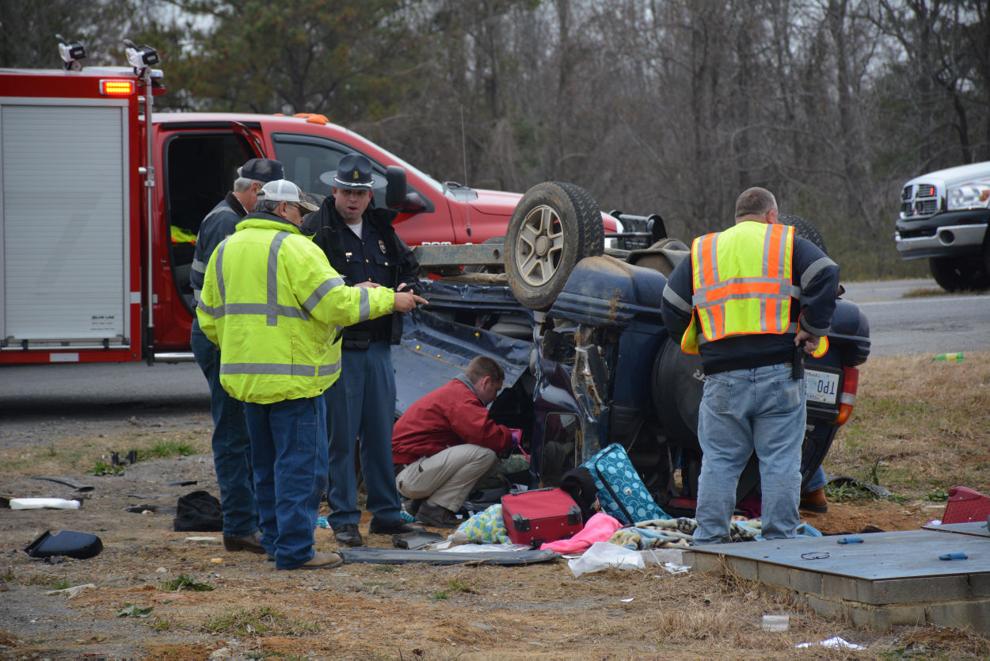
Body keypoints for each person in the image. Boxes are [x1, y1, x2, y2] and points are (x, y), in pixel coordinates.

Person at [197, 178, 427, 569]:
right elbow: (335, 306)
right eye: (300, 212)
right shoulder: (295, 248)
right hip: (294, 381)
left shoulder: (226, 249)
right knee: (300, 470)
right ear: (284, 210)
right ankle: (296, 551)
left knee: (266, 468)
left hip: (248, 383)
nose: (304, 219)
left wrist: (246, 350)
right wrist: (390, 298)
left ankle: (274, 542)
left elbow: (208, 317)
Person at [660, 187, 839, 544]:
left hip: (722, 377)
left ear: (737, 218)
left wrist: (703, 341)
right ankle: (779, 542)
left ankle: (709, 540)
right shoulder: (786, 243)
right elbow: (826, 273)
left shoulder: (706, 250)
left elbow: (670, 303)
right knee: (781, 461)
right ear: (772, 215)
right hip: (780, 372)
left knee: (721, 461)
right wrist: (811, 329)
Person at [302, 153, 422, 547]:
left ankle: (386, 514)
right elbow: (308, 290)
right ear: (333, 191)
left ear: (370, 196)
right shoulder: (315, 233)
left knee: (378, 433)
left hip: (378, 347)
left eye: (360, 193)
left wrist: (404, 288)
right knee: (342, 437)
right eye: (346, 191)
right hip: (339, 347)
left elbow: (408, 268)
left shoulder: (381, 230)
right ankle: (344, 517)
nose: (353, 199)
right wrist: (357, 295)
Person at [189, 157, 284, 554]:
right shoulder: (228, 224)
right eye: (271, 199)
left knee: (241, 433)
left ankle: (247, 521)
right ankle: (240, 527)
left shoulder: (227, 217)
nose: (277, 209)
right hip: (222, 341)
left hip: (225, 338)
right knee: (233, 435)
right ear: (253, 192)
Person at [391, 356, 517, 528]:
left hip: (406, 470)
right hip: (407, 475)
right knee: (485, 455)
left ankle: (421, 504)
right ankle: (435, 509)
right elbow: (485, 434)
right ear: (486, 382)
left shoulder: (454, 392)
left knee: (474, 453)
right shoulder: (460, 397)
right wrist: (511, 438)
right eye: (496, 390)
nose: (495, 397)